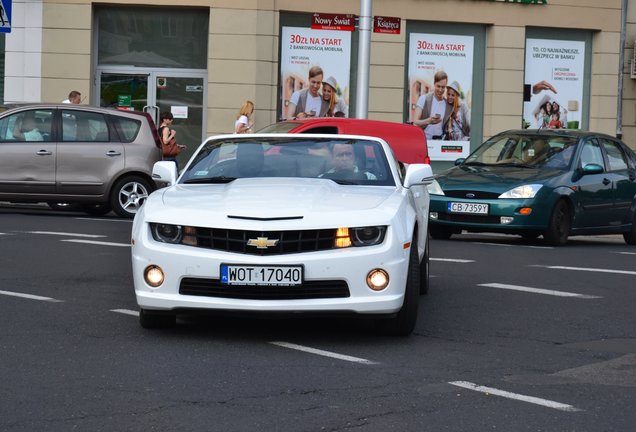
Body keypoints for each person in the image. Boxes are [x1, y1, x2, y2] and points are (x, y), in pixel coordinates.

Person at [413, 70, 451, 140]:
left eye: (443, 87)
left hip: (440, 142)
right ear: (434, 83)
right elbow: (415, 122)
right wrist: (429, 121)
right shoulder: (423, 99)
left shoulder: (447, 105)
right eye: (438, 86)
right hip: (424, 140)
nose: (440, 90)